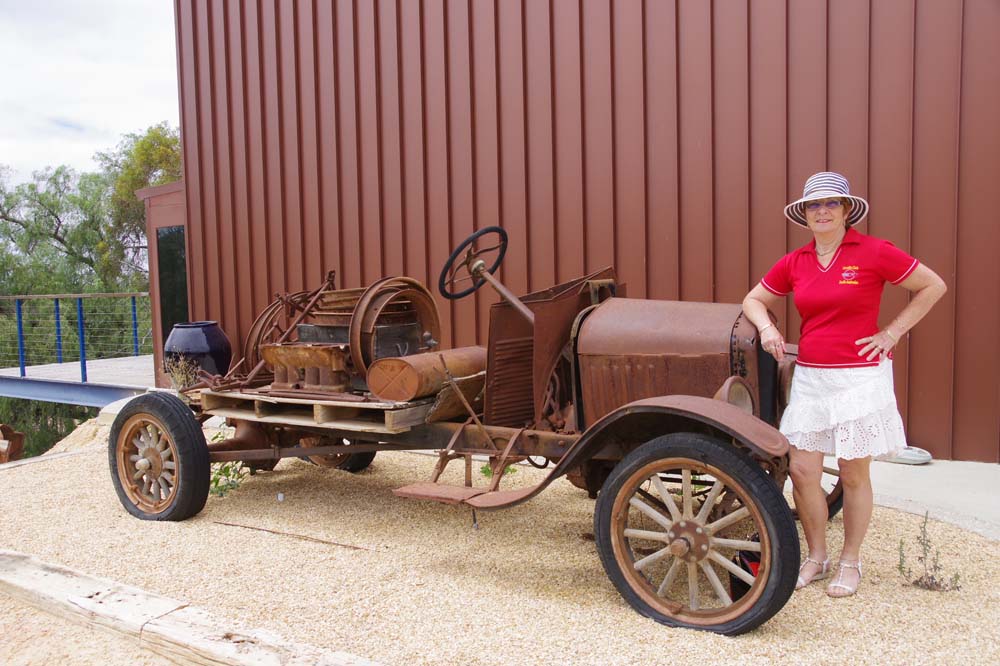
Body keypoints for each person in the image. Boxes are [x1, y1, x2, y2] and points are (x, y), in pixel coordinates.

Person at [742, 172, 946, 597]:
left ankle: (851, 560)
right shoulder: (795, 261)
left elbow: (933, 285)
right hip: (811, 378)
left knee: (853, 472)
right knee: (802, 471)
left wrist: (892, 332)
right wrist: (766, 328)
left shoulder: (874, 251)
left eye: (831, 203)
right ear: (804, 214)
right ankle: (817, 557)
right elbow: (754, 299)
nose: (822, 211)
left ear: (846, 210)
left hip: (859, 379)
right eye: (814, 205)